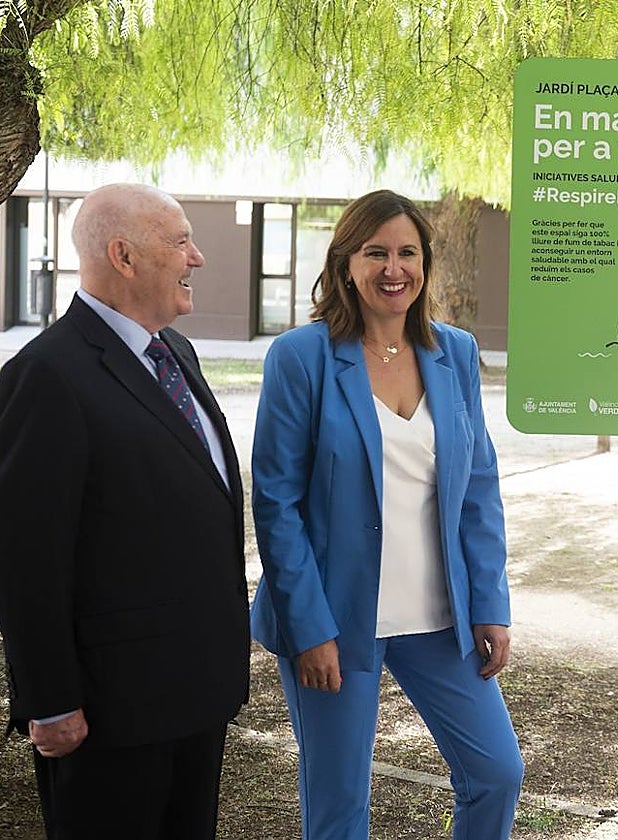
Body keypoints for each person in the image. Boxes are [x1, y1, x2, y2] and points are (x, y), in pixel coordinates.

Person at [250, 189, 524, 839]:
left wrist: (490, 602)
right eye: (376, 253)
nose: (392, 268)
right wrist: (308, 626)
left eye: (407, 252)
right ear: (346, 262)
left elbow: (478, 487)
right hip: (336, 618)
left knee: (496, 771)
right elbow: (276, 502)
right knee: (340, 805)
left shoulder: (454, 353)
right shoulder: (301, 358)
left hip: (440, 616)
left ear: (425, 265)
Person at [0, 183, 250, 839]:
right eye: (180, 241)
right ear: (124, 255)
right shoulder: (47, 376)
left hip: (194, 695)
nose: (196, 257)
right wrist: (50, 700)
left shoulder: (176, 352)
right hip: (112, 714)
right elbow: (28, 558)